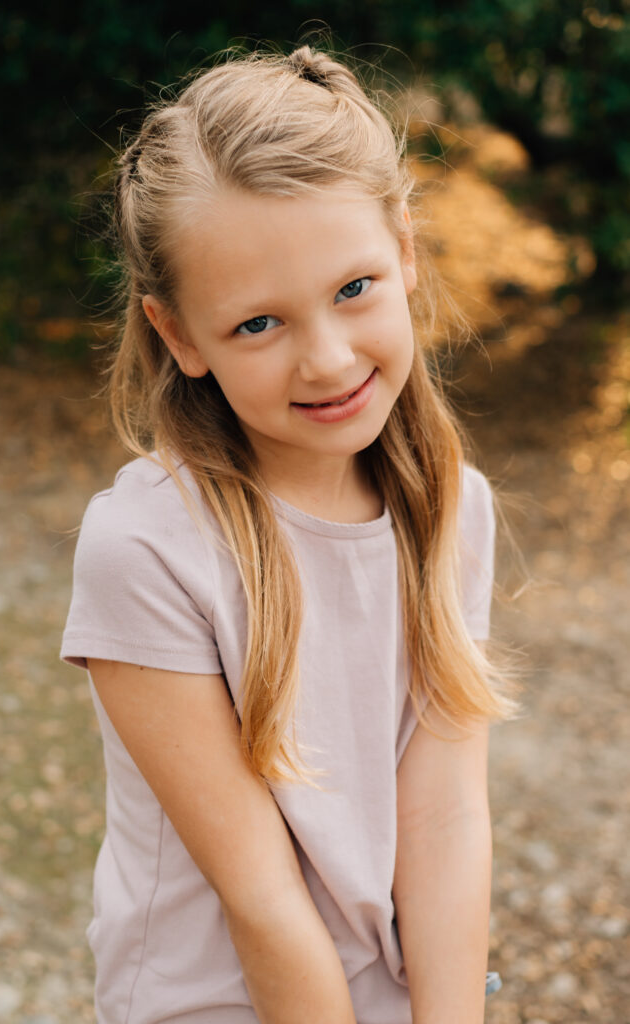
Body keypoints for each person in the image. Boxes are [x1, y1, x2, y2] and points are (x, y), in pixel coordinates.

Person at [61, 45, 519, 1024]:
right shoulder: (145, 552)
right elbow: (260, 899)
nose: (326, 359)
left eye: (352, 288)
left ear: (403, 249)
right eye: (258, 323)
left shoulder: (448, 506)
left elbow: (441, 820)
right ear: (178, 336)